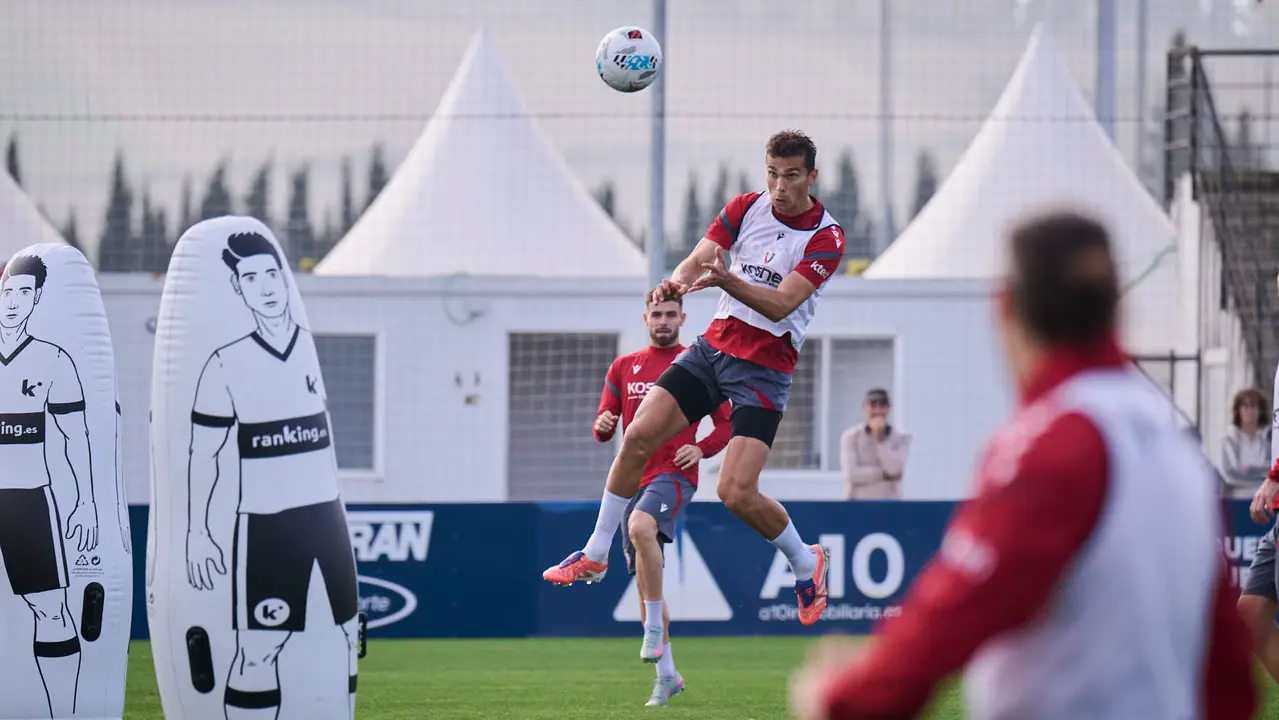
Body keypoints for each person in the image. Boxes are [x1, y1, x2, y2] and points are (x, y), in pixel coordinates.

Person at [789, 211, 1255, 720]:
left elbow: (956, 608)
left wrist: (845, 699)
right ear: (1116, 309)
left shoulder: (1056, 440)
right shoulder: (1172, 441)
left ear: (1006, 308)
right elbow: (1229, 669)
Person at [543, 129, 844, 625]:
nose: (779, 186)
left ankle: (805, 560)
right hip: (714, 350)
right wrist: (678, 281)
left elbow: (782, 303)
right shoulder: (747, 206)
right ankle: (595, 554)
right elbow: (700, 257)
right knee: (637, 436)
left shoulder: (826, 238)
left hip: (765, 371)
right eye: (772, 174)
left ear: (811, 177)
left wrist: (728, 281)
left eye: (791, 176)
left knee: (736, 494)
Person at [185, 232, 360, 718]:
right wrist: (198, 530)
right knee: (260, 649)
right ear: (239, 290)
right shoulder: (224, 364)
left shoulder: (309, 349)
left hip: (325, 518)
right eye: (250, 278)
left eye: (271, 274)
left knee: (348, 636)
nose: (264, 286)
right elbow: (205, 453)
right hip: (267, 525)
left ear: (286, 280)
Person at [544, 294, 731, 707]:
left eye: (671, 315)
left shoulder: (696, 365)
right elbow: (603, 426)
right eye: (657, 315)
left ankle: (646, 628)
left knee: (641, 526)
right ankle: (668, 677)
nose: (663, 321)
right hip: (632, 483)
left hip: (674, 475)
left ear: (683, 318)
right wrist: (603, 423)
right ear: (645, 318)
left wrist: (702, 448)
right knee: (649, 580)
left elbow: (727, 424)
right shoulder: (624, 366)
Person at [0, 254, 98, 717]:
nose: (14, 302)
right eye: (6, 293)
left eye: (24, 293)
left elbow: (76, 435)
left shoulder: (53, 359)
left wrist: (86, 503)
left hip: (26, 502)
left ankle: (63, 712)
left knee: (52, 610)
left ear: (36, 298)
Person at [840, 388, 912, 499]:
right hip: (856, 503)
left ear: (888, 408)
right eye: (873, 405)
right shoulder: (851, 436)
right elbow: (851, 474)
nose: (877, 410)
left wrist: (880, 439)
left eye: (882, 405)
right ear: (864, 407)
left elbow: (894, 469)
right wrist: (884, 475)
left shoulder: (901, 437)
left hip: (889, 502)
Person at [1221, 387, 1270, 499]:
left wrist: (1247, 469)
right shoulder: (1230, 437)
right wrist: (1260, 473)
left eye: (1253, 406)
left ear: (1260, 410)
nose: (1249, 411)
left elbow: (1271, 470)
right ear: (1238, 410)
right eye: (1245, 406)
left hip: (1263, 500)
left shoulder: (1268, 437)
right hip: (1238, 499)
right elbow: (1231, 474)